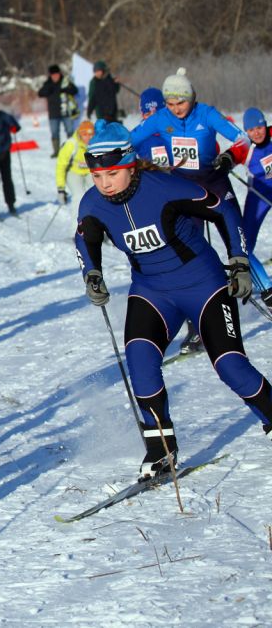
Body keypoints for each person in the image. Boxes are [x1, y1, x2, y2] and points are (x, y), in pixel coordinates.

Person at [74, 120, 272, 479]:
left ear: (130, 163)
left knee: (230, 366)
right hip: (152, 291)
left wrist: (239, 259)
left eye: (112, 174)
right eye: (96, 175)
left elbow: (223, 208)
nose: (103, 183)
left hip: (204, 285)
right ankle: (161, 450)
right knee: (140, 360)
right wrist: (92, 273)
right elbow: (85, 239)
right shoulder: (93, 204)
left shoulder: (164, 187)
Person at [129, 67, 249, 355]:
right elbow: (128, 142)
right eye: (170, 104)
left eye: (180, 103)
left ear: (191, 99)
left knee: (237, 239)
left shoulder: (206, 114)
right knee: (188, 255)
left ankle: (261, 286)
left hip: (215, 183)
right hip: (184, 191)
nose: (175, 109)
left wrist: (229, 158)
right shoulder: (160, 118)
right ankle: (197, 328)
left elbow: (242, 139)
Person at [239, 108, 272, 304]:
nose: (257, 133)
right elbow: (227, 155)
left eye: (259, 127)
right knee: (243, 246)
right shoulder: (245, 148)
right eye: (251, 130)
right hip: (258, 197)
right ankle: (266, 288)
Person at [38, 64, 80, 157]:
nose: (55, 76)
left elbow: (75, 90)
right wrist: (48, 89)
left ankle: (72, 149)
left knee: (70, 131)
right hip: (53, 113)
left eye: (56, 74)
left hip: (65, 112)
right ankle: (56, 151)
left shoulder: (65, 81)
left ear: (59, 73)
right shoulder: (48, 84)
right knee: (54, 132)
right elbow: (40, 93)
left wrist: (67, 89)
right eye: (53, 75)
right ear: (50, 75)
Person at [55, 120, 95, 212]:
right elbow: (60, 166)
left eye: (91, 134)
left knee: (96, 194)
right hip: (74, 172)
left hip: (90, 172)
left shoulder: (96, 143)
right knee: (79, 196)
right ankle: (77, 222)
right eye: (85, 135)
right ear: (80, 134)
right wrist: (61, 188)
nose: (88, 138)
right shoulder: (71, 144)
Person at [133, 88, 169, 166]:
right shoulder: (138, 136)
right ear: (143, 115)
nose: (153, 120)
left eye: (157, 113)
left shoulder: (176, 129)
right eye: (148, 114)